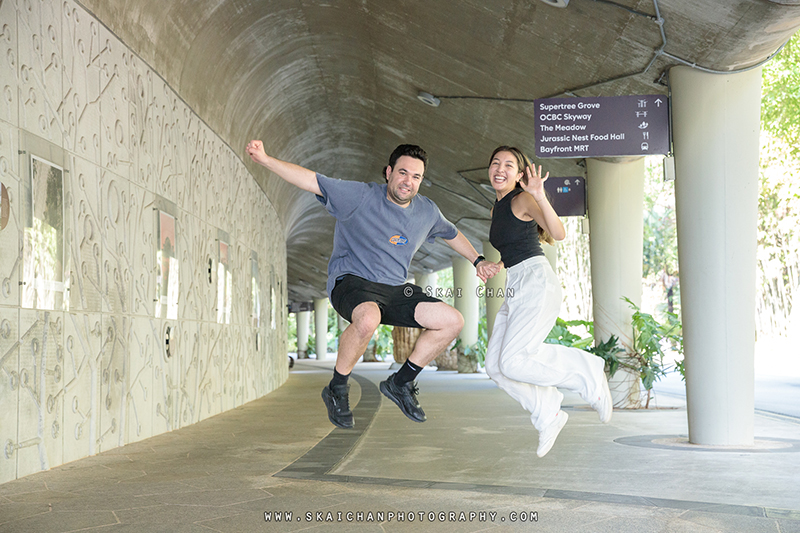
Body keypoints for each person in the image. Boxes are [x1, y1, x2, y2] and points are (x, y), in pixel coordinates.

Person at [246, 140, 500, 429]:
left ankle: (400, 383)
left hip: (394, 288)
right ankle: (337, 388)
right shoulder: (360, 196)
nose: (409, 182)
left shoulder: (426, 211)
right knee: (368, 318)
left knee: (452, 320)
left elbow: (451, 233)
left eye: (416, 177)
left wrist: (478, 260)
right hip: (351, 281)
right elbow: (311, 180)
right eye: (403, 173)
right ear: (389, 172)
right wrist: (266, 160)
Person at [483, 146, 613, 458]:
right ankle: (548, 413)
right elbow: (517, 243)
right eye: (495, 162)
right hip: (516, 283)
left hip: (536, 283)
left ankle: (588, 371)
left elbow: (558, 232)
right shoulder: (497, 207)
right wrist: (499, 265)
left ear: (519, 175)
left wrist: (540, 194)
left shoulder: (523, 198)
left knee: (514, 360)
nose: (500, 169)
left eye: (509, 165)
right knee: (495, 367)